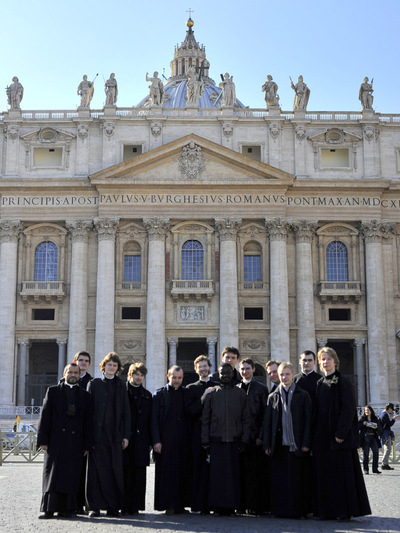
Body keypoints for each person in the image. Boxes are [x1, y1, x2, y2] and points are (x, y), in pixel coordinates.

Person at [312, 347, 371, 521]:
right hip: (323, 437)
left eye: (328, 359)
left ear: (335, 362)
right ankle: (326, 510)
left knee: (341, 476)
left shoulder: (343, 382)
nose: (325, 362)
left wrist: (341, 432)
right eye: (322, 359)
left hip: (338, 437)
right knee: (325, 474)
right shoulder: (320, 382)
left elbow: (348, 409)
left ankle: (343, 510)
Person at [37, 363, 93, 519]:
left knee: (71, 476)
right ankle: (48, 509)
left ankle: (67, 509)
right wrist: (42, 439)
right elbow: (45, 416)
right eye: (70, 372)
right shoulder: (53, 391)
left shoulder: (85, 396)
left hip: (75, 442)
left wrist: (88, 444)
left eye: (76, 372)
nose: (73, 375)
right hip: (55, 441)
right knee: (52, 475)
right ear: (64, 373)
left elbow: (89, 423)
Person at [263, 362, 312, 518]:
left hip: (296, 443)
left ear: (293, 375)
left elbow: (308, 421)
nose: (284, 377)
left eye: (287, 374)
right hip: (279, 444)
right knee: (280, 479)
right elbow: (268, 422)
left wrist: (306, 442)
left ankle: (299, 510)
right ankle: (281, 509)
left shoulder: (303, 395)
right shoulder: (273, 396)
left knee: (298, 479)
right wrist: (267, 444)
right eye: (281, 374)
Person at [86, 352, 130, 518]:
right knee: (95, 472)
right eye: (109, 364)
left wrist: (126, 435)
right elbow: (88, 412)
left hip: (115, 435)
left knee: (114, 471)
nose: (112, 367)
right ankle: (94, 507)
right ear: (103, 366)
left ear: (118, 368)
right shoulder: (94, 384)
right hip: (98, 435)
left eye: (115, 365)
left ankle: (113, 507)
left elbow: (126, 412)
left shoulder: (121, 385)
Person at [202, 363, 250, 516]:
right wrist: (205, 441)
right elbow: (206, 419)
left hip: (235, 439)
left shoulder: (241, 394)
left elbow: (246, 418)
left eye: (228, 373)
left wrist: (244, 439)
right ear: (218, 374)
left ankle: (232, 506)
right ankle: (217, 506)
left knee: (233, 476)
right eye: (222, 373)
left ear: (233, 374)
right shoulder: (212, 394)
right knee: (217, 477)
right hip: (216, 439)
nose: (225, 376)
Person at [151, 365, 190, 514]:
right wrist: (156, 441)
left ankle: (180, 505)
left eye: (179, 378)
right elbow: (154, 420)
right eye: (174, 377)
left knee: (182, 472)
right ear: (168, 377)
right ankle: (168, 505)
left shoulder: (186, 393)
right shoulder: (159, 394)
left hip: (182, 440)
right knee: (166, 473)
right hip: (165, 440)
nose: (177, 380)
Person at [237, 358, 269, 515]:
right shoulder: (236, 387)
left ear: (254, 369)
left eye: (247, 368)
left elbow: (265, 415)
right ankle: (241, 504)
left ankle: (255, 505)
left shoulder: (261, 389)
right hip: (239, 437)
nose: (244, 371)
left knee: (254, 473)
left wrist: (261, 436)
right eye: (242, 369)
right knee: (240, 472)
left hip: (254, 436)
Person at [186, 355, 217, 513]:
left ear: (210, 367)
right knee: (198, 468)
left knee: (214, 470)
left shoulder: (217, 386)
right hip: (197, 433)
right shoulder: (191, 388)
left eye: (205, 366)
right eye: (200, 367)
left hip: (214, 432)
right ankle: (197, 504)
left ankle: (213, 503)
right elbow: (190, 411)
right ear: (196, 369)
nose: (203, 369)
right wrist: (204, 397)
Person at [122, 362, 152, 515]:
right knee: (125, 472)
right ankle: (124, 505)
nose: (139, 378)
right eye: (136, 375)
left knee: (139, 475)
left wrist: (152, 442)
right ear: (130, 375)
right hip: (126, 438)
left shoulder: (147, 395)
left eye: (141, 375)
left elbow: (150, 421)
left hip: (142, 440)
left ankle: (136, 506)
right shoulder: (122, 392)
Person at [358, 405, 382, 474]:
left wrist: (376, 426)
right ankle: (366, 469)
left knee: (376, 452)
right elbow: (357, 427)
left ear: (371, 411)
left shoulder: (375, 418)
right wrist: (363, 424)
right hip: (365, 437)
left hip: (373, 437)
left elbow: (379, 429)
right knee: (365, 454)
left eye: (368, 410)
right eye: (366, 410)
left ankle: (375, 469)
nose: (367, 412)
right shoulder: (362, 418)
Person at [379, 402, 399, 470]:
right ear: (389, 408)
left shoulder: (382, 414)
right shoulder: (385, 415)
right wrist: (393, 419)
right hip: (386, 433)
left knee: (386, 449)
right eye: (391, 409)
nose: (391, 411)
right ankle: (384, 464)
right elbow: (389, 424)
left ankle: (385, 464)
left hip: (384, 433)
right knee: (388, 449)